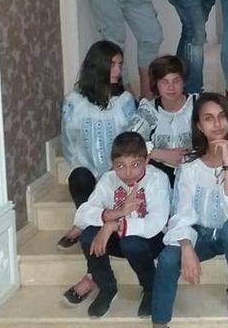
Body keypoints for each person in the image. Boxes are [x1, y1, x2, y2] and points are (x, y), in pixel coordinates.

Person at [151, 93, 228, 325]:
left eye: (222, 116)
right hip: (202, 233)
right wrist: (186, 245)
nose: (217, 124)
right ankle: (159, 322)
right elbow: (181, 212)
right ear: (199, 126)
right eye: (209, 118)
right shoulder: (191, 164)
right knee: (168, 257)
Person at [59, 41, 137, 305]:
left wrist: (113, 176)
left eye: (120, 65)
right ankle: (87, 221)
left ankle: (91, 272)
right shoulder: (74, 101)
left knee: (95, 216)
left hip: (119, 177)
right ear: (98, 65)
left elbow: (133, 142)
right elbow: (69, 144)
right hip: (88, 175)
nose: (118, 70)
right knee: (78, 177)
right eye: (113, 64)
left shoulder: (124, 101)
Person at [73, 132, 170, 318]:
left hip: (150, 241)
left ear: (147, 160)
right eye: (120, 166)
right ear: (112, 163)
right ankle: (106, 286)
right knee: (88, 236)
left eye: (135, 165)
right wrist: (115, 214)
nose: (128, 173)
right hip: (118, 240)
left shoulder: (158, 179)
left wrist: (113, 226)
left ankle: (150, 287)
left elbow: (155, 223)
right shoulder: (108, 179)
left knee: (130, 242)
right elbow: (82, 215)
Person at [127, 55, 196, 186]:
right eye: (164, 82)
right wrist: (162, 154)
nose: (171, 87)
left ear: (183, 81)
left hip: (196, 172)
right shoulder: (149, 109)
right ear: (156, 84)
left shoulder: (197, 104)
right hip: (159, 175)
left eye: (176, 81)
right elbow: (129, 142)